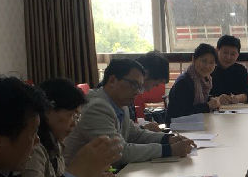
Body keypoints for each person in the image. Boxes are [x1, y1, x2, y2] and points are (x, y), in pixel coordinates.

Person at [64, 58, 193, 165]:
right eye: (134, 84)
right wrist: (169, 150)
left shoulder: (120, 104)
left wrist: (168, 139)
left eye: (140, 86)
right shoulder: (96, 107)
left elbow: (135, 134)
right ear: (112, 80)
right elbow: (118, 153)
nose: (138, 92)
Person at [19, 78, 116, 177]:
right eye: (72, 115)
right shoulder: (35, 149)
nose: (74, 124)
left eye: (78, 116)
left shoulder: (56, 143)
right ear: (48, 111)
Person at [166, 43, 221, 122]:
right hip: (178, 125)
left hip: (194, 122)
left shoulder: (205, 80)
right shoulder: (184, 82)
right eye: (204, 61)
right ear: (193, 59)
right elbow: (183, 113)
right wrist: (208, 106)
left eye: (211, 62)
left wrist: (211, 100)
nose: (207, 66)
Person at [211, 34, 248, 104]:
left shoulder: (240, 70)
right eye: (225, 53)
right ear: (217, 50)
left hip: (236, 109)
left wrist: (238, 98)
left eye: (233, 54)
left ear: (238, 55)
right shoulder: (209, 69)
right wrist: (217, 99)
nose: (228, 57)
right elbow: (202, 96)